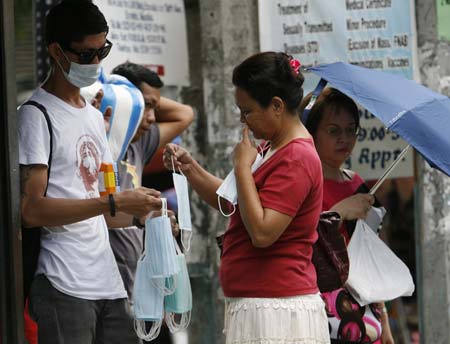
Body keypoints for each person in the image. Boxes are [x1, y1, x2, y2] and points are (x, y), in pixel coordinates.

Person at [18, 1, 162, 343]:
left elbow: (102, 207)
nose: (96, 62)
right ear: (56, 51)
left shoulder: (95, 117)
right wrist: (113, 202)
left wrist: (143, 216)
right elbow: (31, 210)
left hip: (109, 282)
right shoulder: (36, 115)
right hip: (63, 284)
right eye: (86, 55)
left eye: (103, 51)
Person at [163, 52, 330, 344]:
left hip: (278, 308)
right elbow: (233, 203)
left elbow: (264, 232)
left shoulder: (297, 157)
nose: (242, 119)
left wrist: (242, 166)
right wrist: (190, 168)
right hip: (260, 304)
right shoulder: (270, 147)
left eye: (247, 110)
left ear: (276, 105)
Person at [103, 62, 194, 343]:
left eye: (154, 108)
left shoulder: (138, 144)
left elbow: (185, 114)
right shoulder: (99, 142)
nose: (152, 118)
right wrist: (122, 91)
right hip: (101, 283)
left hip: (135, 284)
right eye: (145, 107)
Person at [299, 87, 395, 344]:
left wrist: (383, 317)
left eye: (350, 129)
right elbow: (299, 238)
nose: (344, 138)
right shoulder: (305, 182)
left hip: (364, 309)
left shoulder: (359, 184)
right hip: (319, 309)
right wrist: (339, 212)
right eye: (333, 131)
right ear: (313, 133)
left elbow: (370, 254)